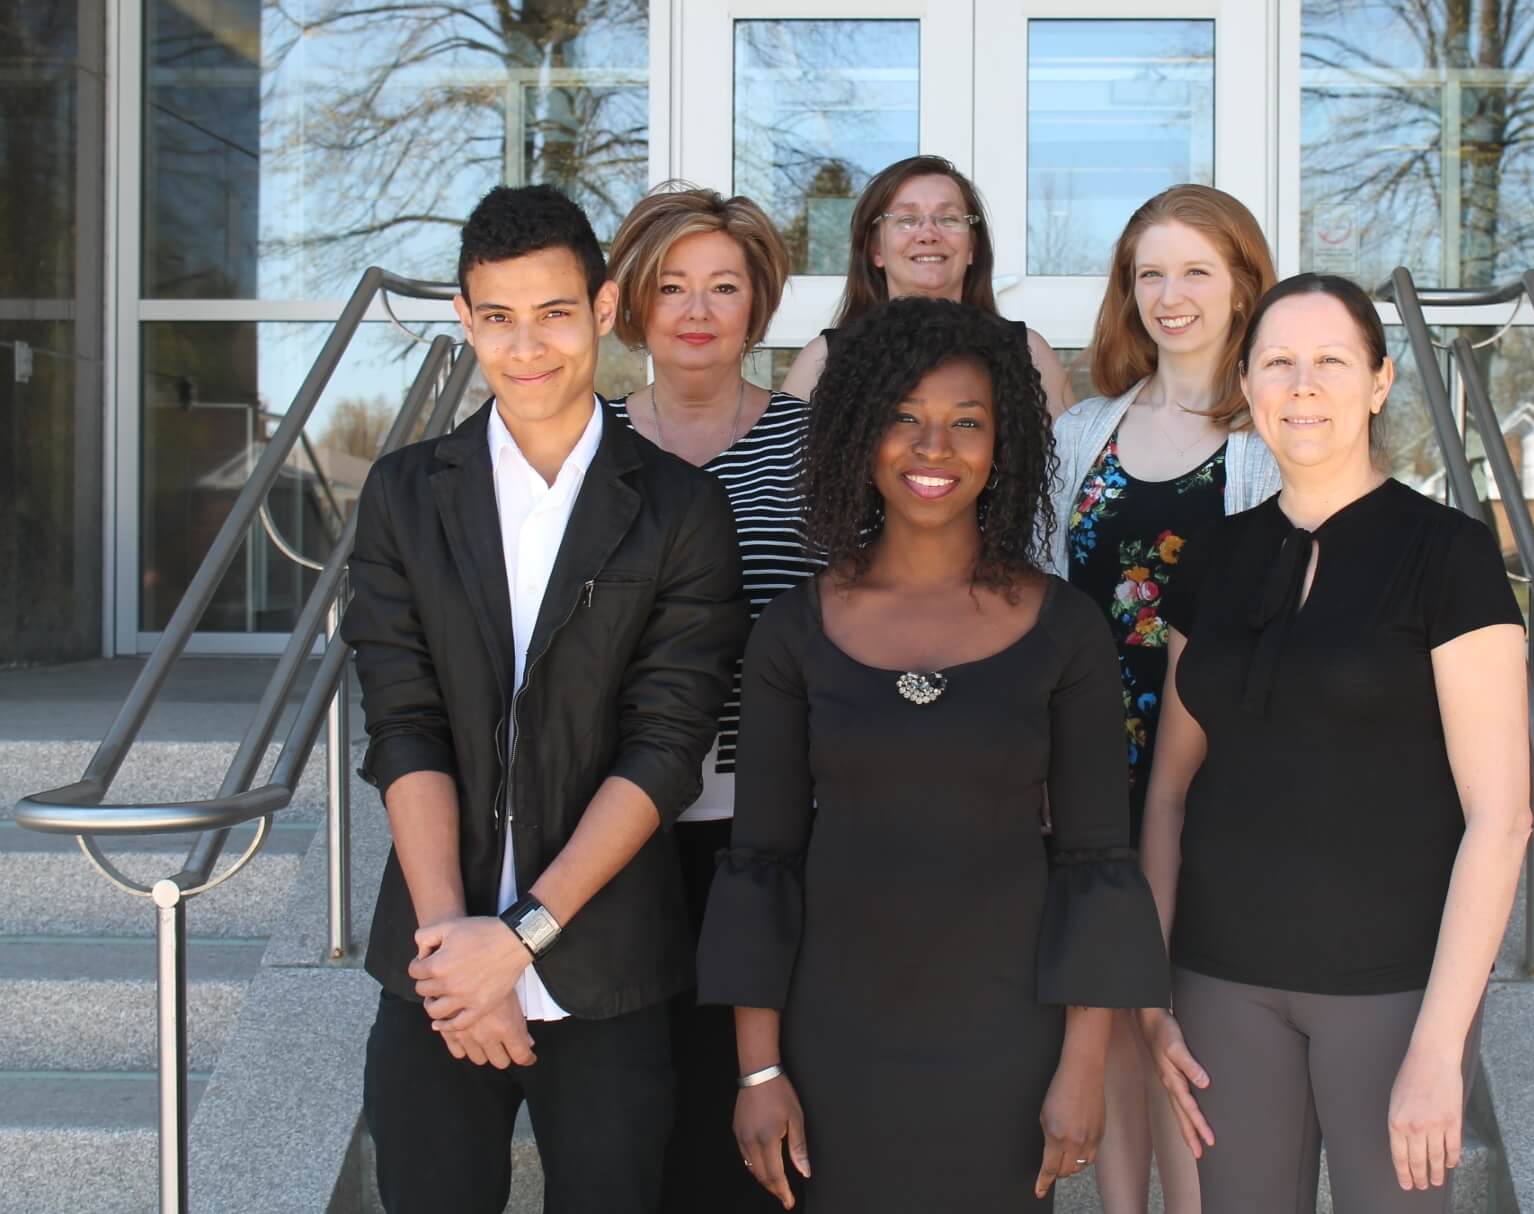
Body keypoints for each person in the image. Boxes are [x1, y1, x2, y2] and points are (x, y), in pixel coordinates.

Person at [698, 297, 1170, 1212]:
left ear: (1004, 447)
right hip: (832, 1033)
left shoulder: (1065, 628)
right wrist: (759, 1074)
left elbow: (1094, 863)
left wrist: (1080, 1070)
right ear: (857, 435)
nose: (933, 448)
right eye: (903, 420)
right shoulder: (795, 629)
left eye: (966, 423)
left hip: (1007, 1036)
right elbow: (761, 860)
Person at [343, 183, 748, 1214]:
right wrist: (452, 950)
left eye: (555, 312)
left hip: (605, 966)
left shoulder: (678, 507)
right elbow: (402, 719)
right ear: (464, 320)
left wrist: (517, 935)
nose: (528, 346)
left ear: (604, 310)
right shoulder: (402, 492)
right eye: (498, 317)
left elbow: (666, 747)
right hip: (432, 967)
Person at [1137, 273, 1532, 1213]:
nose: (1302, 385)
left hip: (1390, 992)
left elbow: (1502, 817)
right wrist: (1150, 993)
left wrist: (1441, 1047)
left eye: (1330, 361)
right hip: (1220, 981)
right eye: (1278, 362)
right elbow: (1167, 793)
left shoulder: (1450, 555)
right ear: (1249, 382)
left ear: (1381, 381)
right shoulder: (1216, 555)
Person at [1045, 184, 1281, 1213]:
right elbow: (1034, 599)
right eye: (1149, 272)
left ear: (1241, 285)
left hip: (1211, 782)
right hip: (1090, 771)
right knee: (1115, 1010)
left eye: (1194, 270)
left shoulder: (1274, 434)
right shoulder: (1080, 432)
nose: (1169, 294)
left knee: (1188, 1031)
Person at [601, 181, 819, 1213]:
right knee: (631, 1117)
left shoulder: (814, 443)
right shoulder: (580, 442)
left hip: (763, 820)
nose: (695, 309)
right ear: (633, 302)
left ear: (757, 303)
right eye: (672, 286)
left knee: (752, 1113)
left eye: (722, 286)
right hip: (609, 823)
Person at [779, 154, 1075, 416]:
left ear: (972, 247)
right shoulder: (824, 361)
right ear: (876, 251)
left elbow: (1072, 471)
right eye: (907, 219)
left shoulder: (1029, 353)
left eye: (948, 218)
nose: (928, 234)